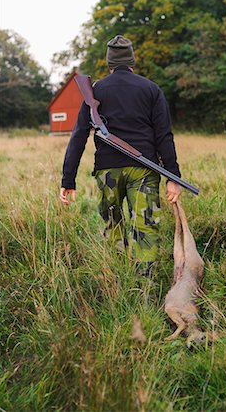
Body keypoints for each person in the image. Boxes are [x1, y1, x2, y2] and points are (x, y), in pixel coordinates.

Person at [60, 35, 181, 277]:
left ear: (109, 62)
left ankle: (119, 279)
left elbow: (78, 136)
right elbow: (164, 136)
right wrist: (173, 176)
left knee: (112, 226)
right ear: (132, 61)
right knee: (145, 228)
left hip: (107, 171)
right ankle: (144, 288)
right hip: (144, 170)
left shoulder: (95, 91)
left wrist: (68, 180)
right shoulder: (151, 89)